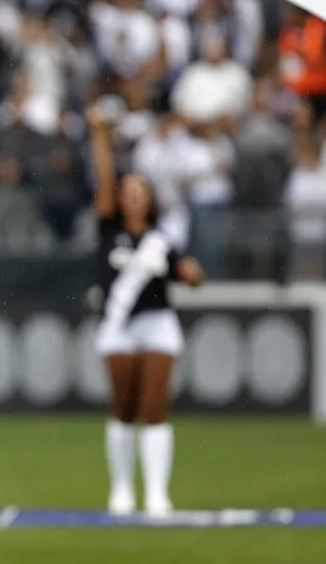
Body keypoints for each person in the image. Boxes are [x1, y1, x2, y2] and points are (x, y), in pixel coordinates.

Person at [85, 104, 205, 518]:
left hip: (157, 322)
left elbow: (187, 275)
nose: (134, 198)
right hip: (118, 324)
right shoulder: (109, 230)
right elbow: (104, 178)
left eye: (141, 193)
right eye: (128, 192)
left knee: (155, 407)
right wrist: (100, 135)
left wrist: (193, 274)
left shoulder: (161, 239)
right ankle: (121, 489)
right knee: (123, 407)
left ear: (150, 200)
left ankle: (156, 494)